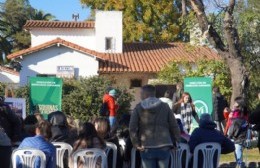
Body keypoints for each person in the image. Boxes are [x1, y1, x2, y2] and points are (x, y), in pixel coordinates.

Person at [129, 85, 180, 168]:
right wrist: (176, 141)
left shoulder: (138, 107)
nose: (140, 96)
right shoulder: (165, 106)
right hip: (164, 144)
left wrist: (136, 143)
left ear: (145, 94)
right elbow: (174, 125)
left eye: (141, 93)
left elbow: (132, 127)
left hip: (146, 146)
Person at [226, 97, 248, 168]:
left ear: (239, 104)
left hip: (238, 136)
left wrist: (230, 135)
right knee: (237, 152)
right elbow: (230, 123)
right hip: (235, 134)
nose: (234, 104)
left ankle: (241, 165)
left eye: (236, 102)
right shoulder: (235, 112)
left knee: (238, 151)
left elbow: (236, 124)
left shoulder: (240, 113)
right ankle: (240, 165)